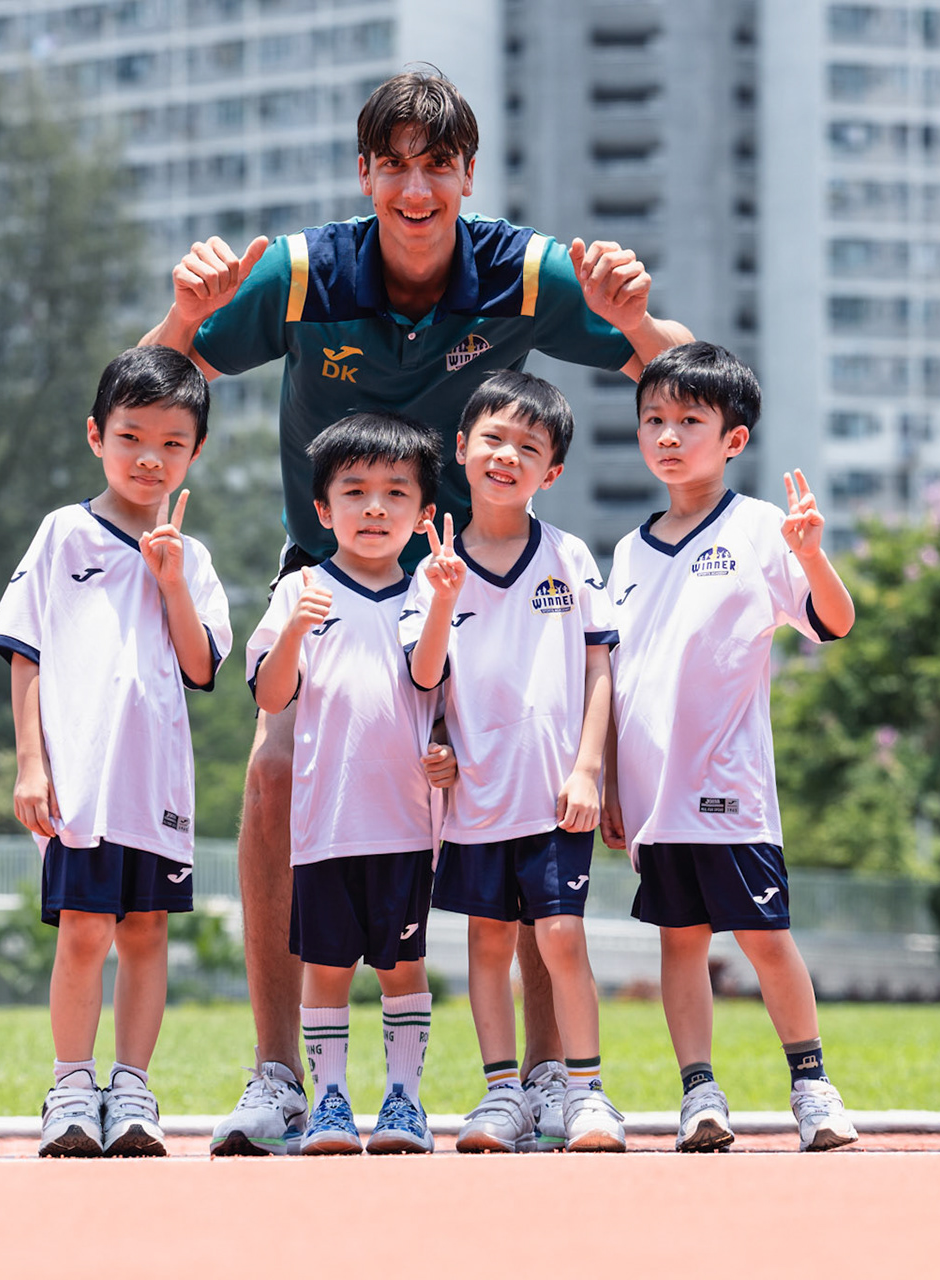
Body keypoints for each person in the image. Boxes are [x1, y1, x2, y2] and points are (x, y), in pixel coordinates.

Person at [141, 67, 692, 1156]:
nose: (415, 186)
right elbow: (149, 392)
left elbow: (696, 387)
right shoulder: (303, 274)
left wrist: (637, 320)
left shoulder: (523, 271)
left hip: (487, 587)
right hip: (334, 582)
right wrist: (185, 309)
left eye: (436, 165)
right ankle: (277, 1076)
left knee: (530, 788)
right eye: (393, 164)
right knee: (271, 770)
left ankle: (546, 1079)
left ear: (465, 175)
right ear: (366, 174)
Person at [601, 342, 860, 1154]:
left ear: (733, 439)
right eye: (654, 420)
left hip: (732, 790)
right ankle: (699, 1094)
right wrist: (609, 781)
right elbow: (614, 673)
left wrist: (813, 554)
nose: (668, 436)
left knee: (765, 938)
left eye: (689, 421)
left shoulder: (758, 530)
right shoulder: (628, 550)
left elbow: (836, 622)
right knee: (679, 942)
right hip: (652, 797)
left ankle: (813, 1085)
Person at [0, 347, 232, 1158]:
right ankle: (68, 1087)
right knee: (84, 932)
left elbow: (201, 668)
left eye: (171, 442)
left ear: (194, 453)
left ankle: (131, 1090)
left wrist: (169, 580)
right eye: (131, 436)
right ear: (97, 435)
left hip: (155, 784)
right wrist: (32, 763)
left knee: (147, 933)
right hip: (81, 783)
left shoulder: (190, 559)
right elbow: (27, 651)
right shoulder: (63, 534)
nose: (148, 457)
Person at [401, 371, 624, 1154]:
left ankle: (587, 1093)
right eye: (493, 438)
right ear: (461, 449)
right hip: (476, 801)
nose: (507, 455)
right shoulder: (434, 565)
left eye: (529, 447)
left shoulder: (568, 555)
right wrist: (438, 600)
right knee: (487, 945)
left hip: (554, 794)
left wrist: (590, 769)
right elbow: (425, 678)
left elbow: (601, 668)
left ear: (551, 471)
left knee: (561, 936)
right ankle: (503, 1096)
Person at [242, 413, 458, 1157]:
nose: (374, 508)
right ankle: (329, 1103)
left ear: (424, 515)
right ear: (321, 510)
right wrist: (298, 630)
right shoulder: (301, 588)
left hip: (403, 823)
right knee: (327, 968)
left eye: (396, 493)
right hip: (326, 826)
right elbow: (270, 696)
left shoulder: (432, 592)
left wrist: (443, 605)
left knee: (402, 966)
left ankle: (405, 1105)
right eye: (355, 491)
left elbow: (430, 680)